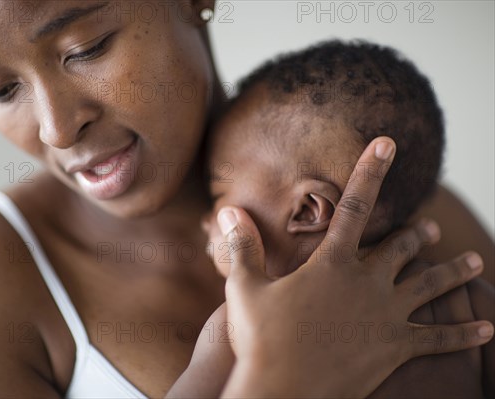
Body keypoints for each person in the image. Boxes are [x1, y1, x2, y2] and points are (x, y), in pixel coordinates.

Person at [0, 1, 494, 398]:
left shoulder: (403, 209)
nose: (57, 129)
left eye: (85, 48)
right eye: (1, 89)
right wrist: (281, 380)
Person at [167, 40, 495, 398]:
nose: (205, 220)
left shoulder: (237, 331)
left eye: (218, 196)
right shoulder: (460, 302)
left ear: (308, 210)